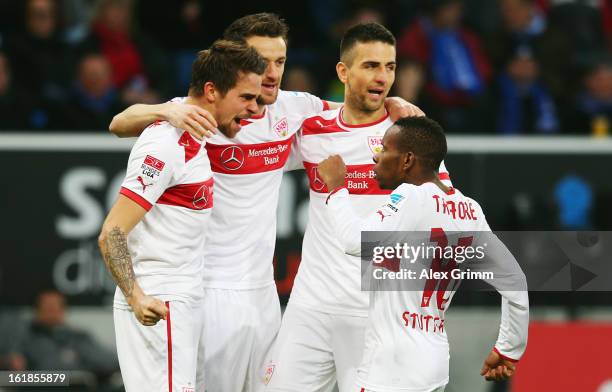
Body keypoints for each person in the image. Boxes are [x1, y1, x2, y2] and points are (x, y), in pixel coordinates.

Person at [107, 13, 423, 392]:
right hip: (204, 289)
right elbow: (119, 123)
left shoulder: (296, 110)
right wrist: (163, 109)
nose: (272, 72)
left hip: (262, 293)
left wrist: (393, 100)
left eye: (280, 61)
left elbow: (356, 107)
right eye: (262, 61)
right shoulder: (197, 114)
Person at [265, 23, 451, 392]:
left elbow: (444, 207)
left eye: (390, 67)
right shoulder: (312, 131)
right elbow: (255, 156)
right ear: (343, 72)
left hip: (376, 315)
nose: (382, 77)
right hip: (311, 306)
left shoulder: (409, 136)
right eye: (370, 66)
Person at [97, 39, 265, 392]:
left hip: (184, 299)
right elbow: (112, 231)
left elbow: (122, 121)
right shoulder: (165, 144)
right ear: (211, 91)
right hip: (161, 301)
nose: (255, 108)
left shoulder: (194, 130)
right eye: (246, 97)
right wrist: (136, 296)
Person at [317, 116, 529, 391]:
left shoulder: (412, 197)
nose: (375, 156)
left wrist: (337, 188)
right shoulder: (471, 210)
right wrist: (509, 348)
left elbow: (354, 241)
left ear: (407, 160)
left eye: (383, 149)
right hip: (434, 362)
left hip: (392, 369)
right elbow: (515, 281)